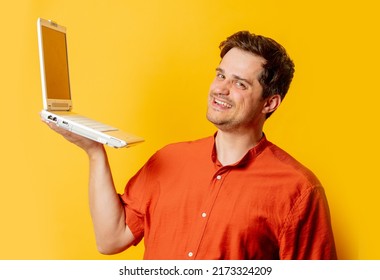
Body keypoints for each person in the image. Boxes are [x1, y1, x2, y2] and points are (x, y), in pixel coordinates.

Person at [43, 31, 337, 260]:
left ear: (270, 103)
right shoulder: (169, 159)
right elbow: (111, 238)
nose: (220, 89)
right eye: (221, 75)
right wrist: (95, 152)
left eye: (240, 83)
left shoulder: (298, 189)